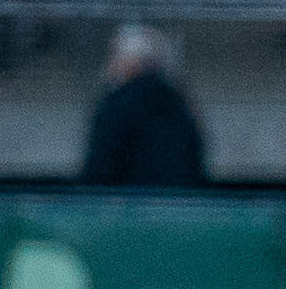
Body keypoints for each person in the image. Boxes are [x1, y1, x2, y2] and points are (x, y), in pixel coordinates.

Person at [78, 25, 209, 190]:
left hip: (129, 206)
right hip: (178, 205)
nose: (111, 64)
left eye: (116, 57)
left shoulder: (115, 104)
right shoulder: (180, 105)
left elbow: (101, 167)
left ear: (131, 63)